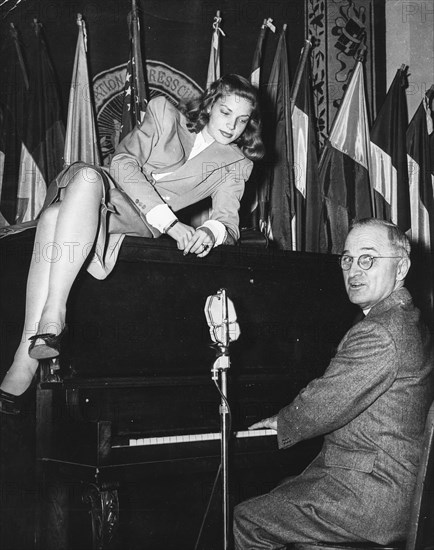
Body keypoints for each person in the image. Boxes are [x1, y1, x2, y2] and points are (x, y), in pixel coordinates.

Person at [0, 74, 264, 414]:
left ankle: (29, 351)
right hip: (102, 190)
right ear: (211, 104)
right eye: (226, 113)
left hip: (131, 221)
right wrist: (170, 223)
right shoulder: (164, 112)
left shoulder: (236, 164)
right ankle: (52, 319)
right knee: (87, 177)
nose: (232, 126)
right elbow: (122, 162)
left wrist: (208, 232)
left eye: (242, 120)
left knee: (54, 218)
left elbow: (228, 222)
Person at [234, 218, 434, 549]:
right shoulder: (407, 320)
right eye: (347, 259)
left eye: (368, 258)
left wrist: (283, 421)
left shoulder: (380, 331)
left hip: (372, 496)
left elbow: (323, 404)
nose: (354, 270)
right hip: (389, 486)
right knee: (282, 494)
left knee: (248, 519)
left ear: (401, 267)